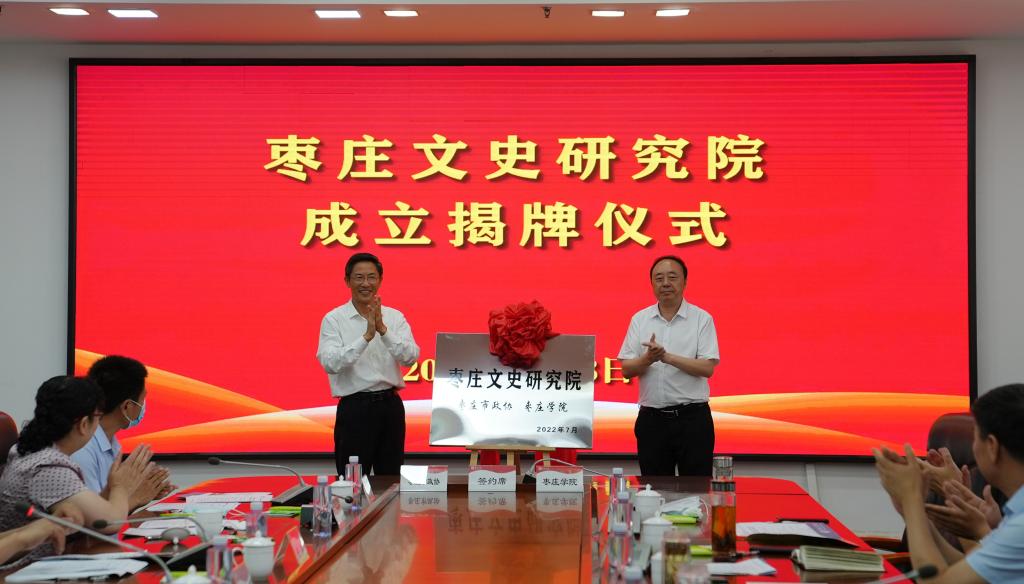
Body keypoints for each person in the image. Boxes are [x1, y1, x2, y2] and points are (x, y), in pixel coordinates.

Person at [874, 383, 1024, 583]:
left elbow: (937, 582)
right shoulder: (1016, 514)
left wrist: (911, 498)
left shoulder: (1020, 527)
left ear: (992, 446)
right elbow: (969, 570)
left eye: (974, 437)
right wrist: (911, 511)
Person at [0, 376, 151, 564]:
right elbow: (110, 522)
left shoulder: (29, 451)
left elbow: (91, 518)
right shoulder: (48, 467)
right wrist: (121, 486)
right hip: (23, 571)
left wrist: (111, 487)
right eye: (98, 418)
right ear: (84, 424)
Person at [317, 253, 420, 476]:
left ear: (380, 280)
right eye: (359, 277)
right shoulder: (334, 319)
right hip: (355, 408)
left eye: (371, 277)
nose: (366, 283)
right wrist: (365, 338)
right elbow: (330, 362)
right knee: (352, 480)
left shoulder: (394, 317)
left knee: (392, 478)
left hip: (390, 406)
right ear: (347, 281)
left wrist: (383, 330)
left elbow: (410, 357)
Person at [618, 255, 720, 476]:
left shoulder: (701, 319)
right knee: (653, 490)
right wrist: (649, 358)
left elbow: (707, 368)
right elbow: (626, 369)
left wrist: (667, 358)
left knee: (696, 489)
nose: (665, 283)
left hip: (693, 420)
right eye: (659, 278)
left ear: (685, 282)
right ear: (652, 284)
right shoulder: (640, 319)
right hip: (652, 421)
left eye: (672, 277)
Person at [71, 355, 173, 507]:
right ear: (127, 406)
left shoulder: (112, 444)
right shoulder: (82, 449)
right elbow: (94, 517)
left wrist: (141, 490)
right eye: (142, 399)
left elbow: (108, 501)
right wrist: (136, 498)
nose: (143, 405)